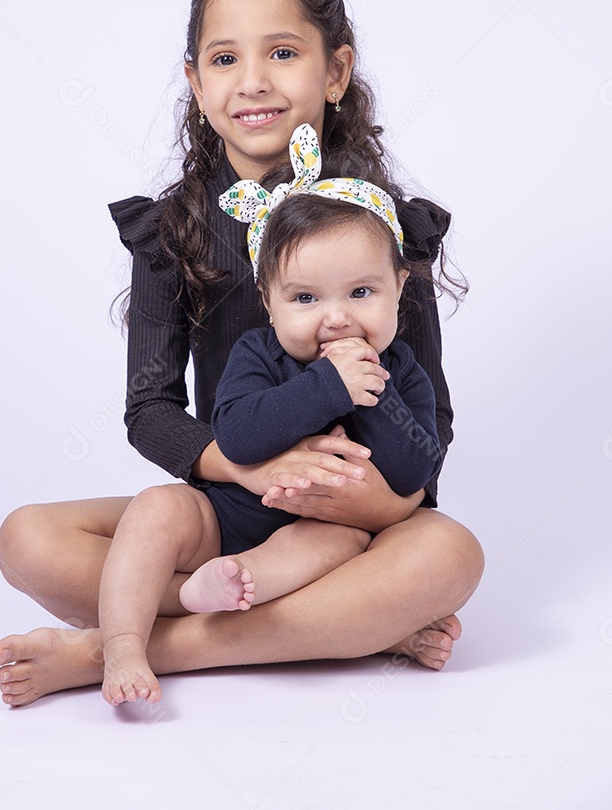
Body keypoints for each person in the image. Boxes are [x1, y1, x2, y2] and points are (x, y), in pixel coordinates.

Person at [0, 0, 484, 708]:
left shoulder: (380, 232)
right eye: (223, 59)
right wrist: (245, 468)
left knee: (450, 555)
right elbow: (150, 411)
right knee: (27, 539)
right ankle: (349, 626)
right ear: (193, 81)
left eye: (283, 51)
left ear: (336, 71)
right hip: (225, 502)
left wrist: (375, 505)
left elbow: (433, 421)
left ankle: (113, 651)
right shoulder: (171, 233)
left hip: (349, 527)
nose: (252, 81)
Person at [100, 123, 443, 705]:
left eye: (361, 293)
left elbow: (416, 468)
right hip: (229, 515)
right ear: (269, 300)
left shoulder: (400, 368)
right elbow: (236, 435)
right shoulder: (257, 353)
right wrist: (328, 387)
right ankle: (123, 647)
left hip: (325, 535)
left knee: (355, 546)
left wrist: (373, 389)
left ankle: (240, 589)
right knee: (156, 508)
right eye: (306, 298)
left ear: (399, 284)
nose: (336, 319)